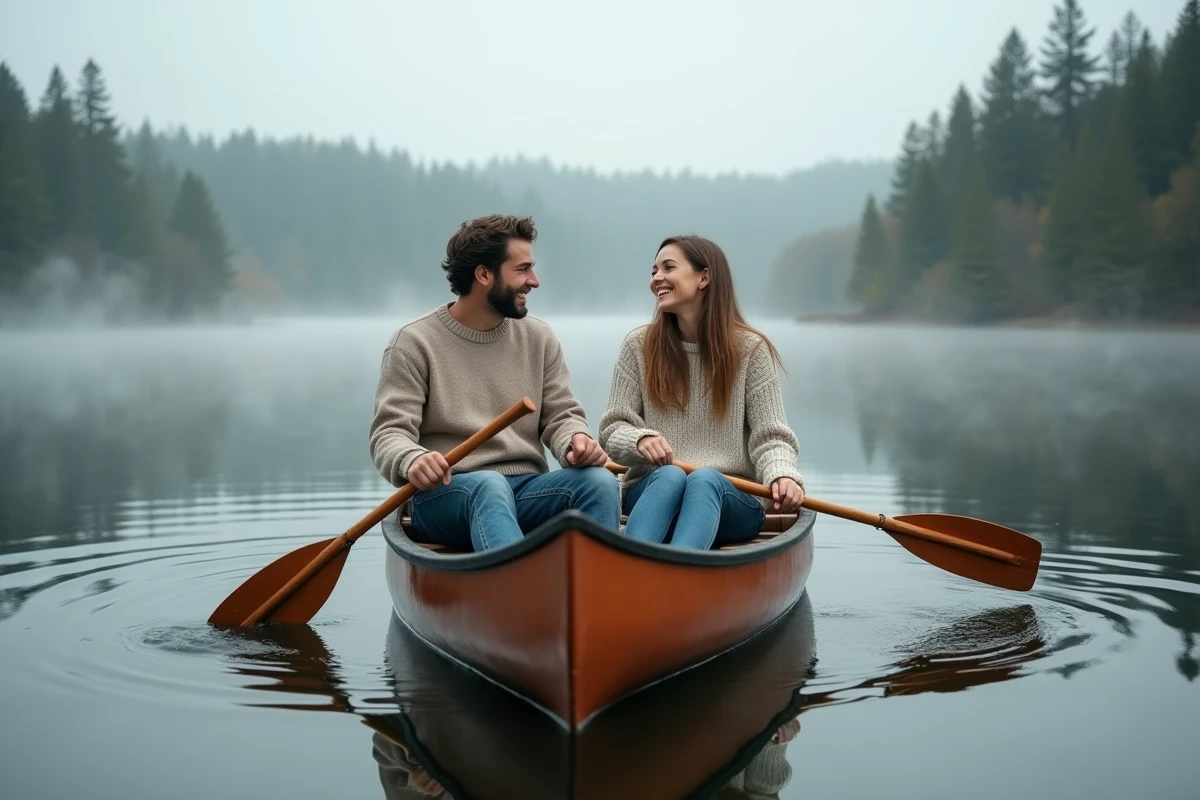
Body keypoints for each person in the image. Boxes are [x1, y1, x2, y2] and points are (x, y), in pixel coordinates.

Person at [369, 214, 620, 551]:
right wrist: (412, 459)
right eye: (522, 269)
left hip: (528, 489)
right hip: (444, 495)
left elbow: (562, 415)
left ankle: (595, 594)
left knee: (600, 483)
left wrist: (575, 440)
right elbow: (389, 433)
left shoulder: (539, 337)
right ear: (483, 274)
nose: (534, 281)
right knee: (489, 486)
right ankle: (518, 594)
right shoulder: (413, 342)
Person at [598, 234, 804, 549]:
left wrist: (782, 476)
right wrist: (639, 440)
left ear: (704, 277)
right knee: (670, 476)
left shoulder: (751, 350)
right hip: (653, 493)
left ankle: (680, 573)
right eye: (653, 271)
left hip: (733, 500)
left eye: (668, 267)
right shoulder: (638, 346)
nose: (657, 279)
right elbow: (612, 429)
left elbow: (771, 437)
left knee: (704, 478)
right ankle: (631, 568)